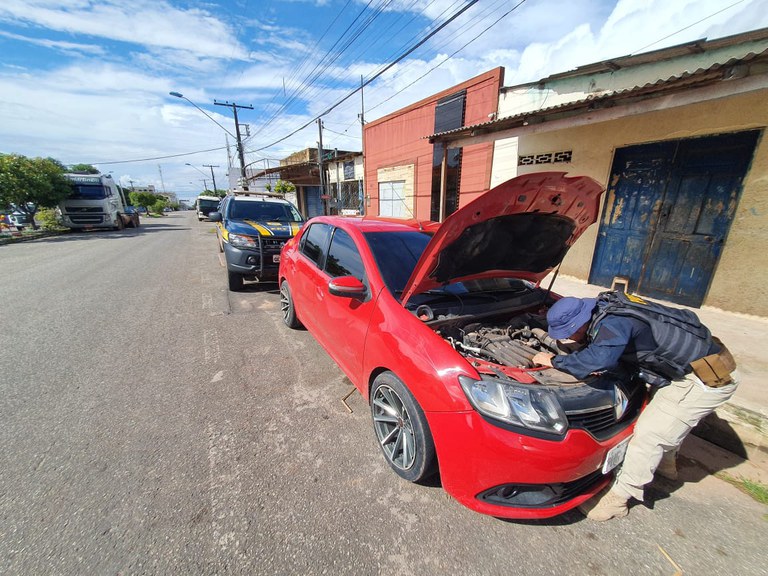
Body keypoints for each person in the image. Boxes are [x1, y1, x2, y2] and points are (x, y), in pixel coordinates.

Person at [531, 293, 738, 521]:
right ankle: (665, 465)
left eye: (568, 332)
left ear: (579, 324)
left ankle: (618, 498)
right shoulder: (606, 306)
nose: (567, 337)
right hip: (688, 365)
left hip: (705, 378)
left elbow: (598, 360)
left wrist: (553, 361)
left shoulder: (614, 323)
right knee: (666, 419)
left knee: (650, 434)